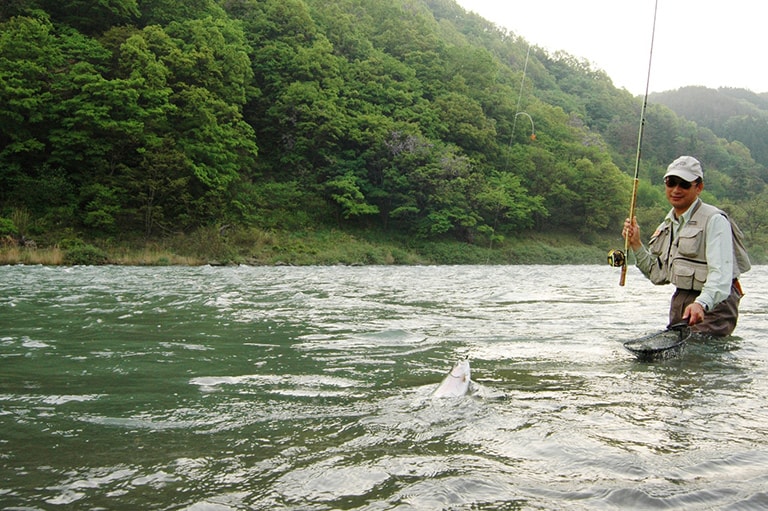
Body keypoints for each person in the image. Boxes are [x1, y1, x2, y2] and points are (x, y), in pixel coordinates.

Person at [623, 156, 750, 336]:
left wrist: (701, 303)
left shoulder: (715, 220)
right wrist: (636, 244)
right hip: (681, 301)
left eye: (684, 184)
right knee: (675, 359)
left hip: (715, 302)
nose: (676, 189)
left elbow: (721, 274)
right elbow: (656, 274)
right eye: (671, 182)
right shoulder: (668, 224)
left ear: (699, 187)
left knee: (696, 355)